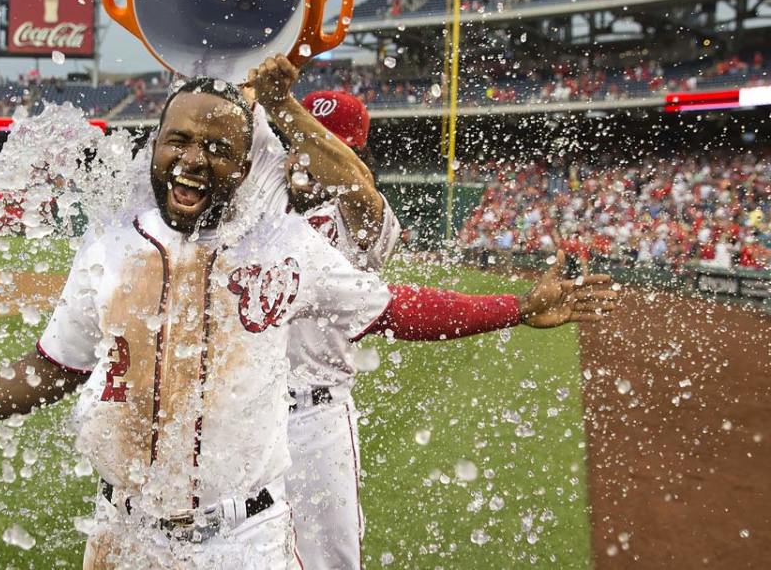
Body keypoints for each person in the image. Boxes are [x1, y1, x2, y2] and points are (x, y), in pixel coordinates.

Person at [0, 77, 396, 568]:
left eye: (216, 147)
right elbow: (56, 365)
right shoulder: (128, 242)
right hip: (131, 522)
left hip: (281, 461)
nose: (192, 158)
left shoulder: (306, 233)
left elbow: (393, 302)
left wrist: (490, 310)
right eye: (177, 140)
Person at [247, 55, 620, 570]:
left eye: (322, 144)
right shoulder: (261, 212)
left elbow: (353, 182)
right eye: (300, 146)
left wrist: (282, 107)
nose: (305, 159)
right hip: (247, 414)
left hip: (314, 419)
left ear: (353, 153)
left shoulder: (364, 218)